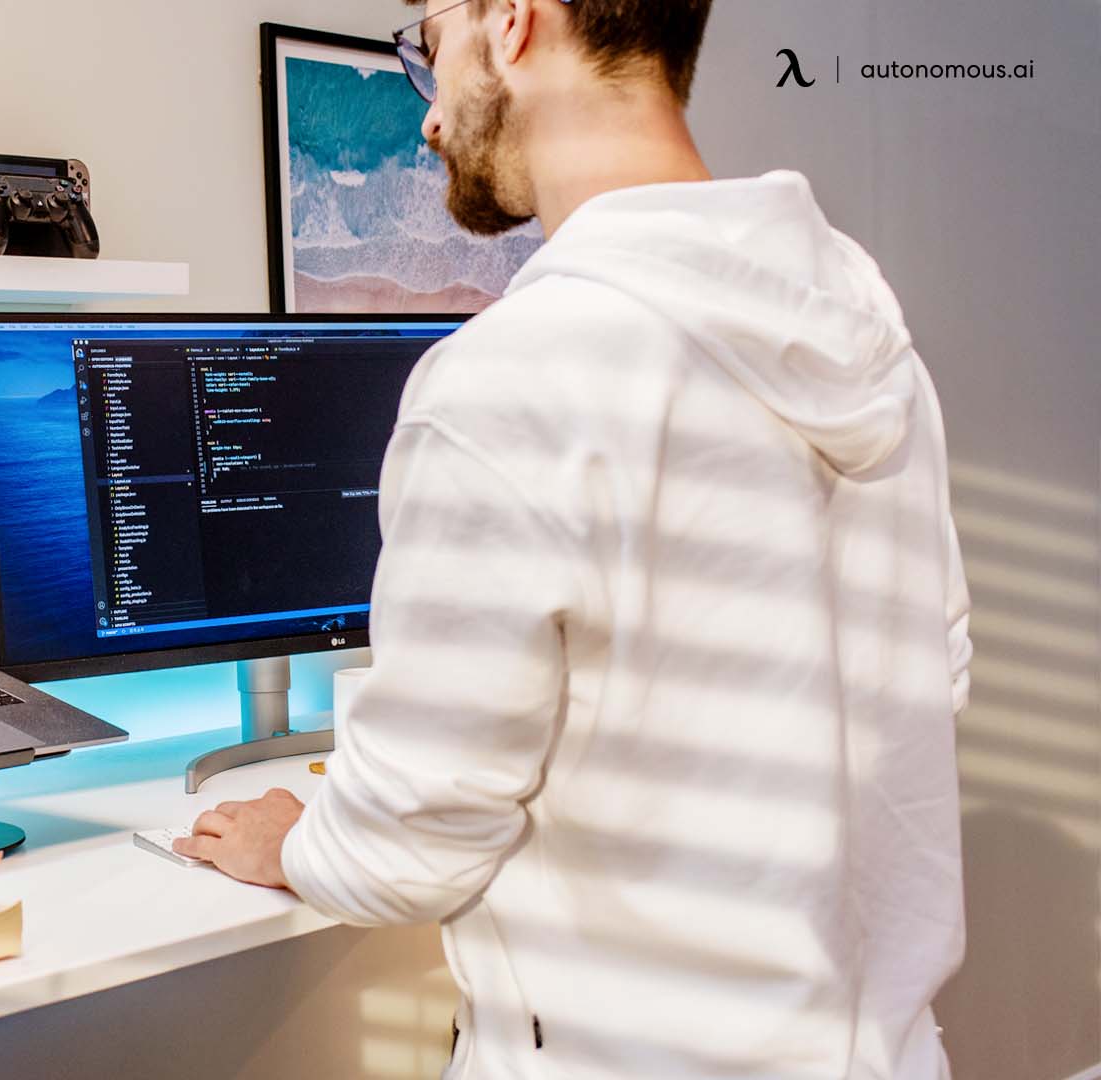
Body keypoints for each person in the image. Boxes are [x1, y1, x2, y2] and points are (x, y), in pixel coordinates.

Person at [175, 1, 972, 1076]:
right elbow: (930, 675)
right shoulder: (864, 333)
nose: (427, 121)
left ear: (510, 22)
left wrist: (296, 840)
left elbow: (407, 856)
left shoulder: (511, 379)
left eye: (429, 46)